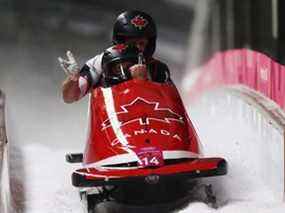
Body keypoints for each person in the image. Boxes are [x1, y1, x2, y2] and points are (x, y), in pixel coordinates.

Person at [58, 10, 171, 103]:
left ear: (149, 44)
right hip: (109, 121)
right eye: (132, 43)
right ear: (120, 42)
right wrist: (73, 79)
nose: (137, 48)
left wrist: (143, 82)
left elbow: (171, 104)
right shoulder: (101, 61)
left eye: (141, 43)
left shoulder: (158, 68)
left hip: (147, 124)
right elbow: (69, 98)